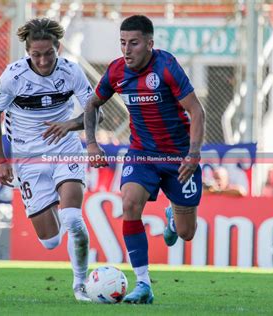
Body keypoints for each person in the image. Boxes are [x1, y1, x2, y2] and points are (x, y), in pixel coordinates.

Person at [84, 15, 205, 304]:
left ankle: (173, 220)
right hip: (142, 153)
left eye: (134, 43)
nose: (127, 50)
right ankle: (143, 284)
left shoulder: (166, 67)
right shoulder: (116, 71)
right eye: (123, 43)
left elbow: (197, 111)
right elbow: (92, 104)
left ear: (150, 44)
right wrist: (91, 143)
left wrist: (193, 153)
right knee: (129, 203)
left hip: (178, 157)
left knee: (187, 233)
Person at [0, 18, 97, 301]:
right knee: (49, 242)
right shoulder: (13, 76)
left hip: (65, 148)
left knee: (72, 218)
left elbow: (96, 112)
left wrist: (70, 126)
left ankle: (80, 285)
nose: (44, 60)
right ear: (28, 52)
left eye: (49, 53)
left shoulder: (72, 72)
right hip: (27, 158)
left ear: (58, 47)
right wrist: (1, 161)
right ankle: (53, 215)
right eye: (37, 55)